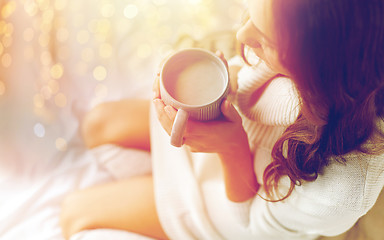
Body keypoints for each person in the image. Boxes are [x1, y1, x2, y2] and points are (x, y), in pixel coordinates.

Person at [60, 0, 384, 239]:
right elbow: (248, 70)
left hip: (231, 209)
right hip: (226, 136)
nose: (242, 36)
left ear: (321, 74)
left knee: (74, 215)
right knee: (97, 124)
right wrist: (215, 85)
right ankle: (155, 178)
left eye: (266, 42)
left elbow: (250, 230)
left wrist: (231, 149)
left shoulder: (342, 189)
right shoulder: (303, 30)